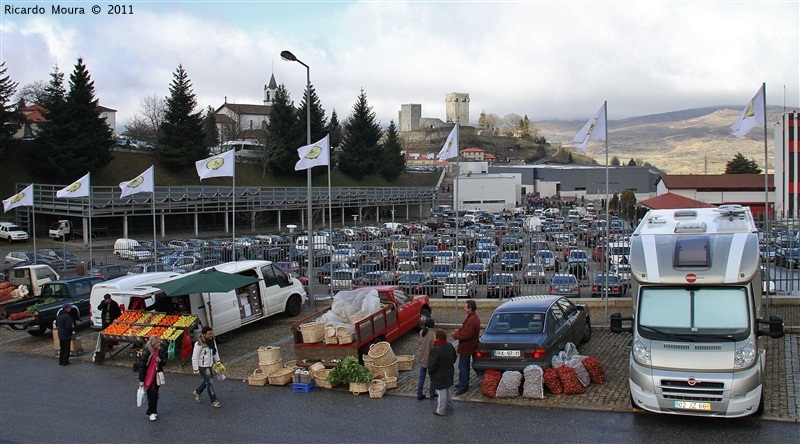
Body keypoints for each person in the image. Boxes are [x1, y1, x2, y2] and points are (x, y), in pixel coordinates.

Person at [451, 299, 480, 396]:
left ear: (470, 308)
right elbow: (464, 329)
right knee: (464, 366)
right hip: (467, 345)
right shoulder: (472, 318)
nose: (464, 308)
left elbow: (466, 334)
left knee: (463, 366)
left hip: (467, 346)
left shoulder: (472, 320)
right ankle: (463, 382)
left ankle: (463, 385)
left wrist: (455, 335)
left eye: (465, 306)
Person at [428, 329, 457, 416]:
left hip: (439, 374)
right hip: (449, 371)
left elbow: (432, 364)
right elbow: (454, 358)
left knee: (441, 392)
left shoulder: (436, 350)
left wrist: (430, 372)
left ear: (437, 338)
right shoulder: (450, 345)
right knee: (447, 389)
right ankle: (449, 405)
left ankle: (440, 410)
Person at [139, 335, 167, 421]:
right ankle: (151, 411)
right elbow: (142, 366)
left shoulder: (160, 350)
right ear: (152, 343)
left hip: (156, 375)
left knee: (154, 393)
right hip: (148, 375)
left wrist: (160, 361)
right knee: (151, 394)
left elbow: (165, 361)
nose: (159, 344)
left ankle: (152, 411)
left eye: (159, 343)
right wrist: (141, 380)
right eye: (157, 343)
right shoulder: (147, 351)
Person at [192, 326, 221, 408]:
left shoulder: (212, 341)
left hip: (210, 364)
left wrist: (218, 361)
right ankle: (214, 400)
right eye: (209, 334)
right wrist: (196, 369)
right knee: (210, 383)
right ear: (204, 334)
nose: (211, 335)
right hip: (203, 366)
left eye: (211, 333)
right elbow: (195, 357)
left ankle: (198, 391)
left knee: (208, 381)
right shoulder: (199, 344)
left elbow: (215, 351)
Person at [415, 318, 437, 400]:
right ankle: (432, 393)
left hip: (423, 357)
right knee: (433, 377)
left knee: (422, 377)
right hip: (430, 358)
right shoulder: (434, 334)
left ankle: (419, 393)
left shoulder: (422, 332)